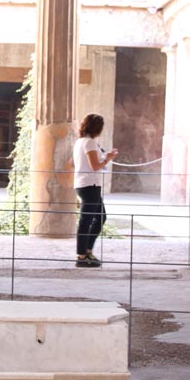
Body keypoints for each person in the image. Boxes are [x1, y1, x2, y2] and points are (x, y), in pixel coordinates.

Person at [72, 113, 118, 268]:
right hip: (89, 185)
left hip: (86, 184)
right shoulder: (90, 143)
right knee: (86, 221)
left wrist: (105, 156)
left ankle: (87, 250)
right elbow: (95, 166)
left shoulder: (81, 141)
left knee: (100, 217)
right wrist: (107, 158)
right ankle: (82, 256)